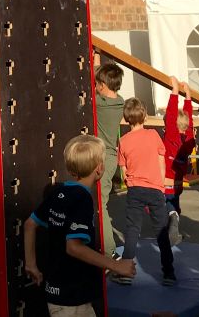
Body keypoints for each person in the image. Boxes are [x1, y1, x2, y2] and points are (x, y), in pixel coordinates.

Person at [24, 134, 135, 315]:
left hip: (56, 291)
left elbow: (29, 224)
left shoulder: (58, 192)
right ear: (99, 168)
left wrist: (31, 265)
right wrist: (116, 265)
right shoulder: (82, 198)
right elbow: (73, 247)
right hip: (72, 297)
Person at [115, 97, 175, 286]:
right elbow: (161, 161)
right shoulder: (153, 135)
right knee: (161, 230)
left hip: (135, 189)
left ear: (126, 119)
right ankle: (169, 273)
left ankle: (126, 272)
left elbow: (123, 169)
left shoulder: (123, 141)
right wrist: (161, 185)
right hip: (155, 189)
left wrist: (130, 182)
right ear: (145, 116)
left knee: (132, 229)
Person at [94, 61, 125, 255]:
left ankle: (109, 251)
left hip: (102, 158)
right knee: (100, 202)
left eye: (97, 84)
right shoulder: (120, 101)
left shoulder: (99, 104)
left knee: (100, 205)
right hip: (111, 157)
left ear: (102, 86)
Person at [163, 76, 195, 247]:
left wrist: (175, 91)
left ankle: (171, 217)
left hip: (165, 181)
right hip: (178, 183)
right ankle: (173, 233)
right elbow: (189, 122)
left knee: (165, 206)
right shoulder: (189, 140)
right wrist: (188, 96)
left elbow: (171, 115)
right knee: (174, 203)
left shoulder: (171, 137)